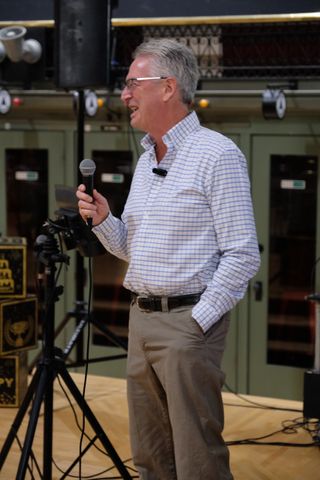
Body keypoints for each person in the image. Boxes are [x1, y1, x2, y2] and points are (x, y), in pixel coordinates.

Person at [77, 38, 260, 480]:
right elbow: (133, 251)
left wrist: (197, 322)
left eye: (132, 83)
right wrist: (105, 221)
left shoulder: (217, 154)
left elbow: (243, 254)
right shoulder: (146, 160)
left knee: (198, 460)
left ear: (167, 87)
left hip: (187, 324)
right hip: (140, 321)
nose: (124, 95)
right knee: (151, 455)